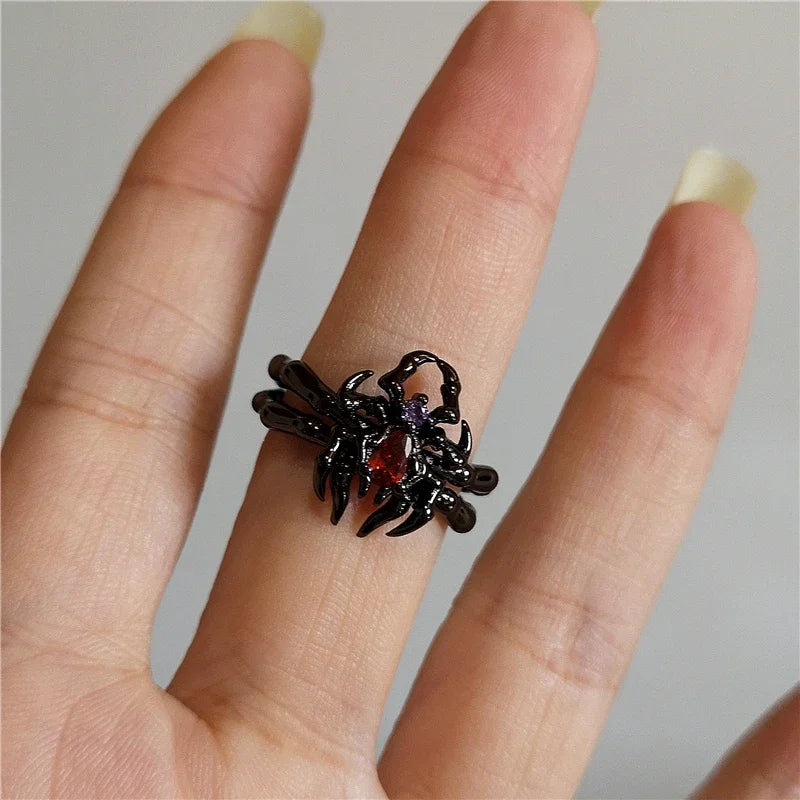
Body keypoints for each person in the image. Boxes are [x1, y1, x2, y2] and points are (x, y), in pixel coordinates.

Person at [2, 2, 797, 798]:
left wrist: (397, 468)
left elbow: (442, 481)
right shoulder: (372, 426)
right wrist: (369, 446)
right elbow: (327, 412)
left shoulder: (416, 459)